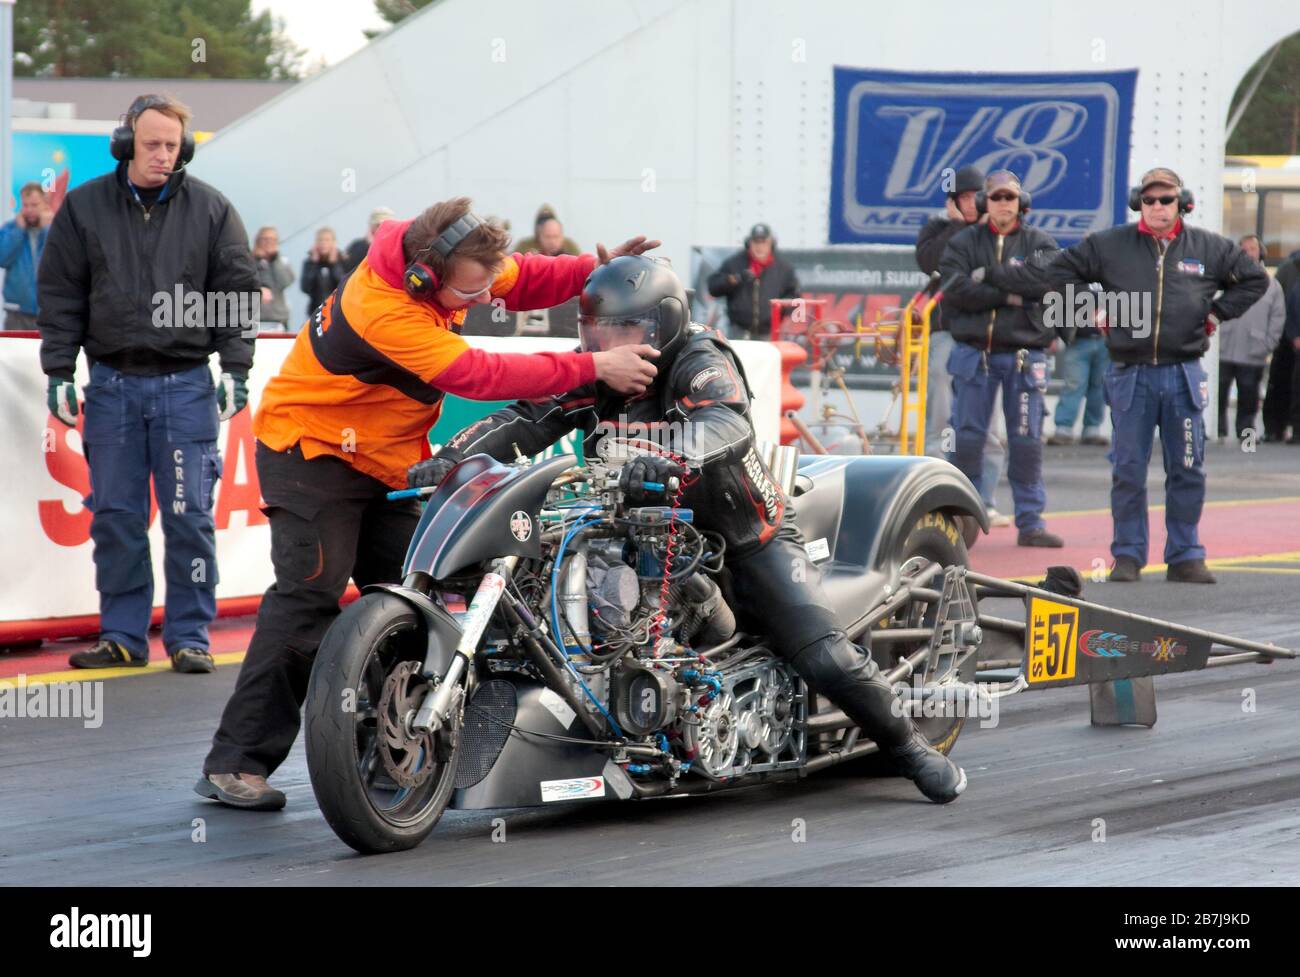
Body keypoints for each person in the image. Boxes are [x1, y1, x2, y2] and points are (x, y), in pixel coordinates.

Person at [425, 254, 968, 805]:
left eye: (627, 330)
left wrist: (671, 453)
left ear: (665, 324)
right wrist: (447, 460)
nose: (611, 342)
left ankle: (909, 748)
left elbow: (725, 419)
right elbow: (525, 417)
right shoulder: (599, 367)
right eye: (598, 331)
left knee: (822, 655)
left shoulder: (699, 357)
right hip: (642, 532)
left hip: (742, 541)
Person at [196, 196, 662, 810]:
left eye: (480, 292)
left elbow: (519, 277)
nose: (479, 303)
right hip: (310, 451)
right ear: (423, 276)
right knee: (309, 596)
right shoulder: (381, 310)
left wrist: (592, 274)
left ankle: (390, 751)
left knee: (424, 596)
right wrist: (592, 364)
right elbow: (478, 373)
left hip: (384, 459)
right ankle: (236, 763)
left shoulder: (456, 263)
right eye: (467, 295)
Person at [38, 93, 258, 672]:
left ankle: (190, 637)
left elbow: (236, 291)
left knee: (189, 515)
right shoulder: (84, 209)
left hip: (185, 388)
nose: (164, 155)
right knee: (116, 517)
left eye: (172, 145)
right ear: (126, 146)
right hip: (110, 388)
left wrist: (236, 365)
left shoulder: (212, 210)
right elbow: (60, 293)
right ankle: (122, 636)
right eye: (152, 144)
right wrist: (59, 368)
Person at [986, 167, 1268, 582]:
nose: (1158, 207)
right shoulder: (1110, 244)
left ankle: (1186, 554)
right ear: (1140, 203)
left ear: (1182, 203)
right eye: (1150, 200)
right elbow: (1056, 273)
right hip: (1130, 374)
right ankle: (1129, 555)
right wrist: (1088, 312)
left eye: (1166, 200)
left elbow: (1255, 279)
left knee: (1188, 466)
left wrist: (1216, 313)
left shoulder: (1209, 247)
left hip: (1183, 372)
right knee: (1128, 469)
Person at [938, 170, 1065, 548]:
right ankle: (960, 522)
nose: (1003, 204)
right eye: (996, 198)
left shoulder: (1041, 242)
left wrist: (991, 277)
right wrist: (1011, 294)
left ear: (1021, 202)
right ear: (984, 203)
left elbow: (1046, 284)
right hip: (974, 355)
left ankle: (1031, 522)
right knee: (968, 438)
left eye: (1009, 198)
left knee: (1026, 440)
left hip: (1024, 356)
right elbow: (955, 290)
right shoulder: (962, 242)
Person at [914, 164, 1011, 527]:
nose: (971, 205)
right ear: (953, 201)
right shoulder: (937, 229)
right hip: (944, 333)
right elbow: (930, 262)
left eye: (976, 198)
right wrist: (956, 225)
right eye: (964, 198)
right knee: (941, 419)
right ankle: (932, 498)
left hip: (986, 336)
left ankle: (983, 499)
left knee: (987, 422)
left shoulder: (997, 234)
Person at [1217, 235, 1285, 440]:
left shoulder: (1272, 286)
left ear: (1260, 252)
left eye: (1252, 249)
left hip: (1252, 352)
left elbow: (1277, 318)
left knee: (1248, 396)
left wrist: (1267, 345)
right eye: (1244, 249)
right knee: (1219, 393)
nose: (1248, 253)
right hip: (1224, 349)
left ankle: (1246, 435)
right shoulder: (1224, 280)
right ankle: (1218, 430)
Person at [706, 223, 800, 340]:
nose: (759, 247)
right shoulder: (734, 263)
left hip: (769, 333)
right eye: (756, 242)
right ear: (748, 243)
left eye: (764, 242)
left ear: (771, 244)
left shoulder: (784, 268)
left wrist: (781, 311)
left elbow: (795, 296)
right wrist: (735, 279)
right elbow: (713, 287)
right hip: (738, 332)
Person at [1047, 279, 1110, 446]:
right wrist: (1054, 334)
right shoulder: (1074, 275)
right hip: (1078, 340)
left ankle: (1092, 428)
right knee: (1074, 384)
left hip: (1106, 341)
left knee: (1099, 386)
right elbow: (1059, 302)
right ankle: (1063, 427)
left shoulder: (1111, 270)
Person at [0, 182, 52, 330]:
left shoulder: (56, 229)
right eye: (25, 205)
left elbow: (59, 263)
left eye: (34, 205)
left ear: (45, 204)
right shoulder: (10, 229)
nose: (29, 210)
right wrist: (18, 231)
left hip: (48, 312)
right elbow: (2, 258)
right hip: (16, 313)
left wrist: (47, 230)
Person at [251, 225, 296, 331]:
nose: (268, 242)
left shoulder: (282, 261)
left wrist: (274, 260)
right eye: (265, 239)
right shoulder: (249, 261)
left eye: (272, 239)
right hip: (255, 319)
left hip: (278, 318)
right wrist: (258, 260)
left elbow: (286, 282)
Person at [301, 227, 346, 319]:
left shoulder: (343, 261)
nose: (323, 243)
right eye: (320, 240)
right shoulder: (309, 263)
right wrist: (314, 264)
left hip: (336, 312)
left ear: (334, 243)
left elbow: (343, 286)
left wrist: (334, 264)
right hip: (315, 312)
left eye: (327, 240)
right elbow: (305, 288)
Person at [513, 204, 582, 256]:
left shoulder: (569, 246)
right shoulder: (525, 246)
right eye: (548, 236)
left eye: (555, 236)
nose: (552, 241)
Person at [343, 206, 396, 272]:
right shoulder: (357, 247)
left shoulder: (397, 247)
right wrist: (370, 246)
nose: (383, 229)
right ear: (371, 227)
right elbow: (349, 271)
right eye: (378, 225)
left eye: (387, 225)